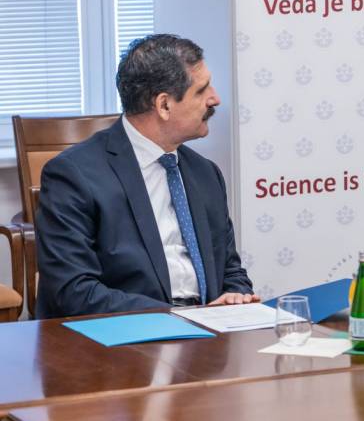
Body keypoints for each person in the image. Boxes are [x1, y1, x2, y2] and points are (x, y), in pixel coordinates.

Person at [36, 34, 256, 319]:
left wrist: (235, 296)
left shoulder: (206, 173)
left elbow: (231, 270)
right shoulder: (73, 175)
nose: (215, 98)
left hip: (210, 329)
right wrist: (177, 316)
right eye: (202, 91)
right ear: (164, 105)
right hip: (123, 332)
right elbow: (73, 291)